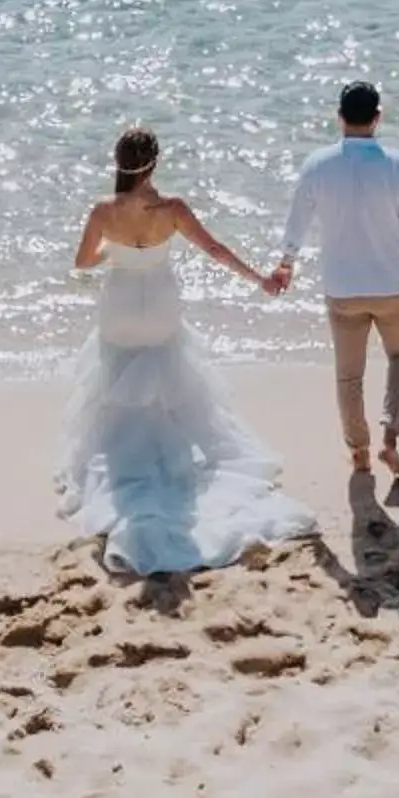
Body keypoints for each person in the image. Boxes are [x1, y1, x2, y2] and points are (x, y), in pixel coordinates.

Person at [56, 127, 316, 574]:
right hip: (160, 304)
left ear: (118, 163)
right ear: (154, 164)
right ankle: (167, 450)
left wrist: (116, 252)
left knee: (116, 375)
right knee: (166, 374)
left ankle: (125, 456)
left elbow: (82, 262)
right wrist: (261, 280)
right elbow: (214, 249)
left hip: (119, 305)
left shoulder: (103, 210)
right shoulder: (171, 208)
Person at [268, 81, 399, 478]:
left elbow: (298, 220)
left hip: (342, 289)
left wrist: (286, 262)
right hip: (392, 284)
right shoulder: (398, 164)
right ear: (378, 117)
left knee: (349, 375)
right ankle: (390, 439)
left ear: (339, 117)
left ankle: (359, 452)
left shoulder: (317, 165)